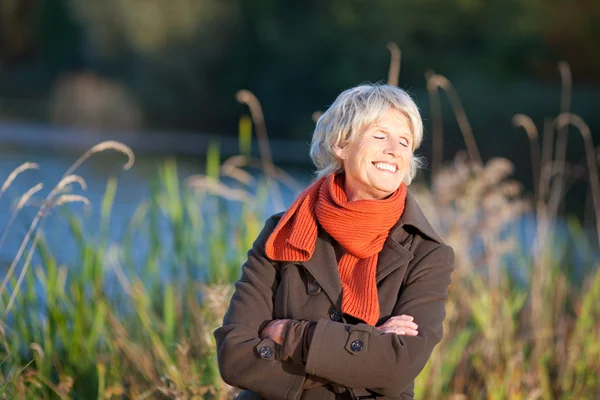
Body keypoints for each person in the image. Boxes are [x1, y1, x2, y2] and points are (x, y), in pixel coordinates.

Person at [214, 83, 455, 400]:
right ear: (341, 143)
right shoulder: (282, 232)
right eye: (380, 136)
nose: (395, 150)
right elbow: (234, 356)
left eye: (405, 141)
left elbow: (399, 367)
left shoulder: (427, 253)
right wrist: (365, 347)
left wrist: (289, 334)